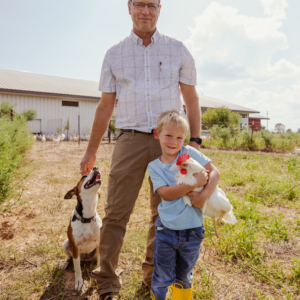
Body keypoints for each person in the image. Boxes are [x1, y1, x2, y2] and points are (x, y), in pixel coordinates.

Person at [80, 1, 205, 299]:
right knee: (115, 213)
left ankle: (155, 277)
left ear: (160, 8)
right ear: (129, 7)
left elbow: (191, 96)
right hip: (129, 140)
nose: (145, 10)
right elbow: (105, 105)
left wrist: (195, 141)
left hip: (170, 144)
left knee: (164, 213)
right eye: (139, 4)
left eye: (151, 4)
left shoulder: (179, 50)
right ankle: (107, 280)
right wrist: (90, 151)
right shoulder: (114, 54)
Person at [148, 110, 220, 300]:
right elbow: (165, 193)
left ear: (185, 138)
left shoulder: (189, 152)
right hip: (167, 231)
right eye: (168, 135)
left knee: (184, 275)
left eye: (179, 137)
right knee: (163, 275)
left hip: (193, 231)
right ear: (157, 134)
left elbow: (215, 173)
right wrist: (193, 183)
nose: (173, 141)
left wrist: (203, 195)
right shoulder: (154, 166)